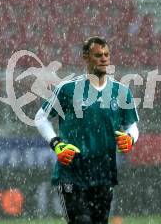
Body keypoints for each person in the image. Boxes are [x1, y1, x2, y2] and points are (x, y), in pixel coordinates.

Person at [34, 36, 139, 224]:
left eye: (107, 55)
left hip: (103, 173)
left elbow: (132, 125)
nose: (104, 59)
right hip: (71, 173)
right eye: (98, 55)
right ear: (85, 57)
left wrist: (130, 137)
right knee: (81, 221)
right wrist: (57, 145)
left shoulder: (121, 92)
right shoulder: (68, 89)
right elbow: (40, 118)